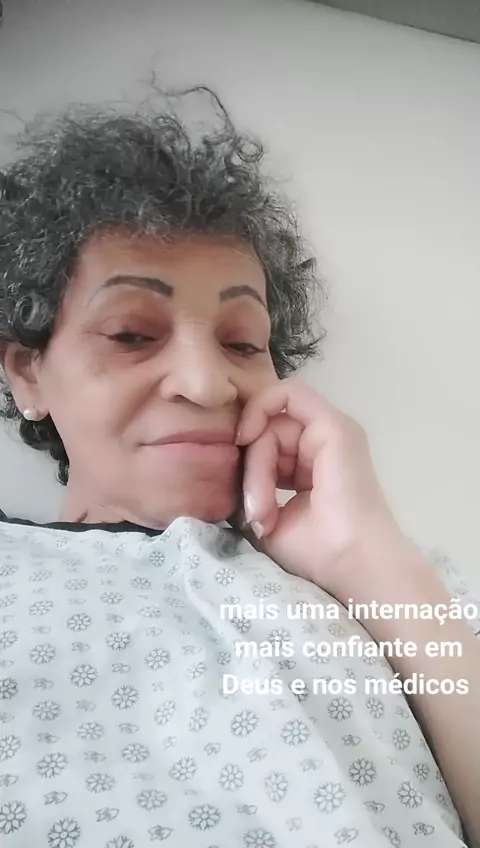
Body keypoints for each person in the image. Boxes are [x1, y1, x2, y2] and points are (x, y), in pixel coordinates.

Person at [0, 88, 478, 848]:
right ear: (28, 373)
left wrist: (371, 563)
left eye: (242, 342)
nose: (208, 383)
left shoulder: (416, 588)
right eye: (131, 334)